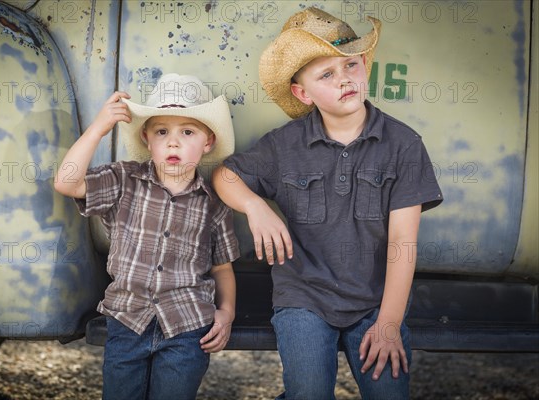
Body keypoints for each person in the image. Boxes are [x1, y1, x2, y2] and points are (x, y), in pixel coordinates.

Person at [212, 7, 443, 400]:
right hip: (304, 298)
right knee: (309, 394)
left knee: (389, 394)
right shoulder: (285, 145)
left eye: (350, 65)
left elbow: (404, 242)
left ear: (366, 65)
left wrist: (388, 322)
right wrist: (255, 206)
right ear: (302, 93)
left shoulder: (404, 145)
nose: (345, 80)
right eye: (326, 74)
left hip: (374, 301)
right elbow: (224, 175)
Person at [54, 73, 240, 400]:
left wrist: (227, 313)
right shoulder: (124, 180)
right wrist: (98, 128)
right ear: (146, 138)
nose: (173, 142)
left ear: (208, 141)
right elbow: (67, 183)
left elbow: (222, 268)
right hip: (127, 320)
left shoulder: (214, 205)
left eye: (187, 131)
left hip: (187, 326)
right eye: (162, 131)